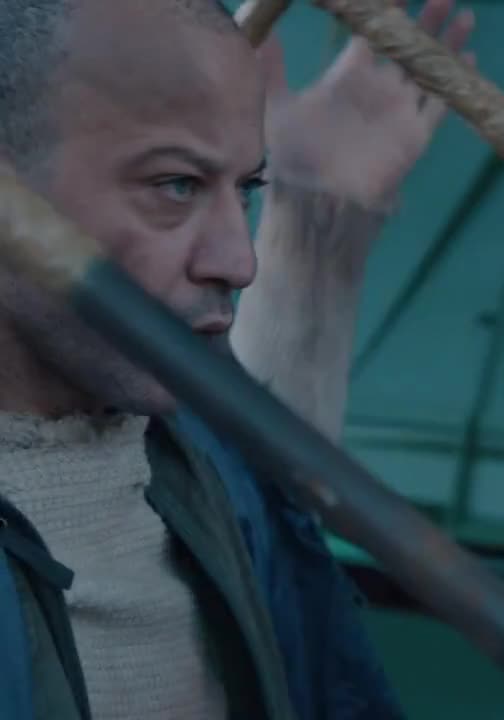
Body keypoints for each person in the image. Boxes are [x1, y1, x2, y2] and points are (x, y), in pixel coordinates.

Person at [0, 0, 476, 717]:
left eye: (248, 190)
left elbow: (271, 487)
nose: (238, 261)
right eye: (176, 185)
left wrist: (317, 218)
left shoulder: (195, 463)